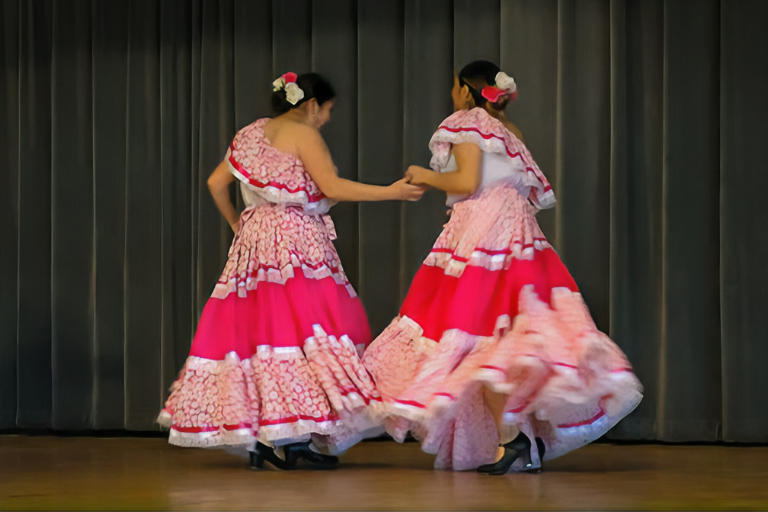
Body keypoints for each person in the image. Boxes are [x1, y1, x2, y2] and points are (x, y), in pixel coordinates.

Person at [363, 61, 643, 474]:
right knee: (509, 335)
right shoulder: (511, 131)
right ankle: (517, 439)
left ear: (464, 89)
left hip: (483, 235)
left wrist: (423, 173)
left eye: (454, 87)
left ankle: (512, 440)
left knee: (473, 332)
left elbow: (466, 183)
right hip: (520, 238)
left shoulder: (467, 123)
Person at [158, 72, 425, 470]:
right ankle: (291, 439)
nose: (327, 119)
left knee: (263, 333)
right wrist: (393, 191)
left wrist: (238, 224)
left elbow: (216, 183)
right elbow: (332, 187)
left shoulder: (251, 133)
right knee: (306, 330)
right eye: (327, 110)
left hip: (254, 242)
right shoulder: (304, 132)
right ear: (311, 104)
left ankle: (268, 439)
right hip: (295, 241)